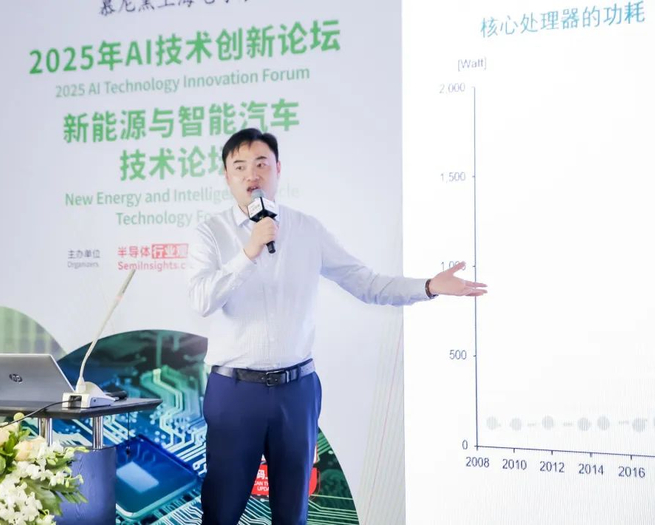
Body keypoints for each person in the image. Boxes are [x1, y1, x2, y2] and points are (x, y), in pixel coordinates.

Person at [188, 128, 487, 525]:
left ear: (278, 169)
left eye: (261, 164)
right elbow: (203, 300)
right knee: (221, 509)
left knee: (293, 512)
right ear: (227, 177)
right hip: (235, 391)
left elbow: (366, 283)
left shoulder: (306, 229)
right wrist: (249, 251)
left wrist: (429, 286)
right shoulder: (211, 233)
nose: (252, 174)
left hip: (296, 392)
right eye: (239, 167)